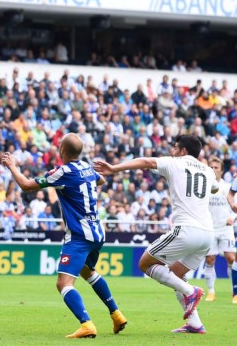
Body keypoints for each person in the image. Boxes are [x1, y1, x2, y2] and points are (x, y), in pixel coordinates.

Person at [2, 133, 126, 338]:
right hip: (97, 231)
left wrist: (12, 166)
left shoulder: (62, 173)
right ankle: (116, 314)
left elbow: (26, 185)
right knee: (88, 272)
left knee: (63, 283)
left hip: (79, 235)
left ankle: (86, 324)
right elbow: (101, 179)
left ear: (61, 151)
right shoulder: (87, 167)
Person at [95, 135, 218, 334]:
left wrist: (113, 168)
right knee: (175, 275)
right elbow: (213, 189)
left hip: (186, 229)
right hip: (207, 234)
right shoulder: (208, 171)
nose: (173, 151)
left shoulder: (175, 163)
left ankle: (191, 291)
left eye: (176, 148)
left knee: (145, 263)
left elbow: (144, 161)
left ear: (184, 151)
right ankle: (195, 324)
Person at [205, 156, 237, 303]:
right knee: (210, 260)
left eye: (216, 167)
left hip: (226, 228)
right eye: (210, 167)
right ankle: (211, 292)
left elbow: (235, 207)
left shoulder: (228, 187)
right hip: (210, 229)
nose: (213, 170)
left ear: (221, 170)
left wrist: (233, 217)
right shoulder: (204, 188)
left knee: (231, 258)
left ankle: (234, 292)